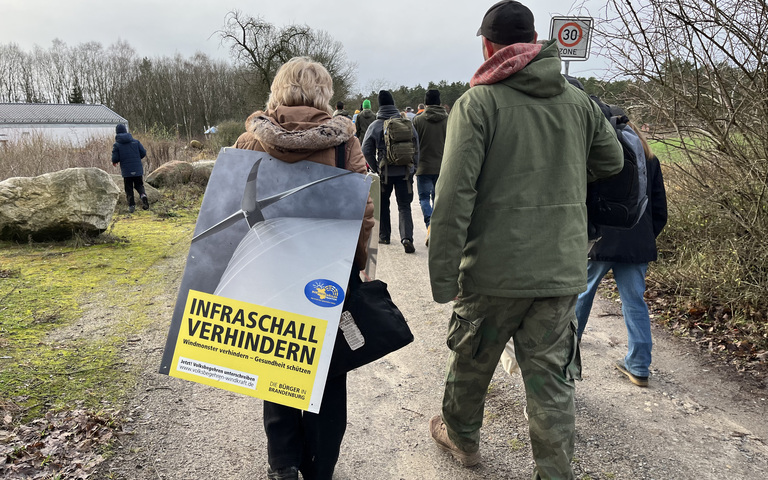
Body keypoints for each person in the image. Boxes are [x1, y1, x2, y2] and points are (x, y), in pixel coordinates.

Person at [426, 1, 623, 478]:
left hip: (493, 273)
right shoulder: (578, 102)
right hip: (559, 272)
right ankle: (554, 473)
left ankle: (463, 439)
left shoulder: (479, 104)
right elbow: (613, 162)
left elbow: (452, 198)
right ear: (536, 42)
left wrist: (442, 276)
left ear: (488, 45)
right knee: (552, 381)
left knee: (473, 363)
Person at [233, 56, 374, 480]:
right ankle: (321, 466)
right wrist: (358, 263)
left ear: (278, 91)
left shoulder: (249, 142)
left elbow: (233, 205)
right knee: (327, 372)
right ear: (323, 95)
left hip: (269, 269)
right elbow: (362, 214)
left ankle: (284, 463)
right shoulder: (343, 144)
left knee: (277, 359)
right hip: (326, 274)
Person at [575, 122, 668, 387]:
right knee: (635, 302)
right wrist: (645, 238)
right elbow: (659, 208)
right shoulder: (651, 160)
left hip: (600, 241)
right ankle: (639, 366)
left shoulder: (600, 159)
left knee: (581, 296)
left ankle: (565, 354)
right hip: (637, 242)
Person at [361, 90, 420, 254]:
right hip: (404, 173)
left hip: (385, 173)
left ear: (379, 106)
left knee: (383, 204)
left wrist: (375, 168)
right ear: (393, 104)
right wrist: (413, 167)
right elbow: (416, 147)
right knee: (404, 206)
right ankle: (407, 238)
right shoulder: (406, 123)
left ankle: (385, 236)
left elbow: (365, 150)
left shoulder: (375, 125)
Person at [411, 89, 448, 246]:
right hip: (443, 167)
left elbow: (412, 144)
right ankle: (438, 230)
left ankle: (430, 227)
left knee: (424, 198)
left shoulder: (418, 121)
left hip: (423, 167)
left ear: (425, 103)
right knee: (438, 200)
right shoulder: (449, 119)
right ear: (440, 102)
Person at [111, 124, 149, 213]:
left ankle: (131, 206)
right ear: (126, 131)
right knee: (139, 185)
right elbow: (143, 153)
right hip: (138, 169)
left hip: (127, 170)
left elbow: (115, 158)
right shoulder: (136, 142)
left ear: (117, 132)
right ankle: (143, 195)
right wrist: (136, 157)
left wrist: (114, 162)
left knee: (128, 188)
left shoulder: (117, 145)